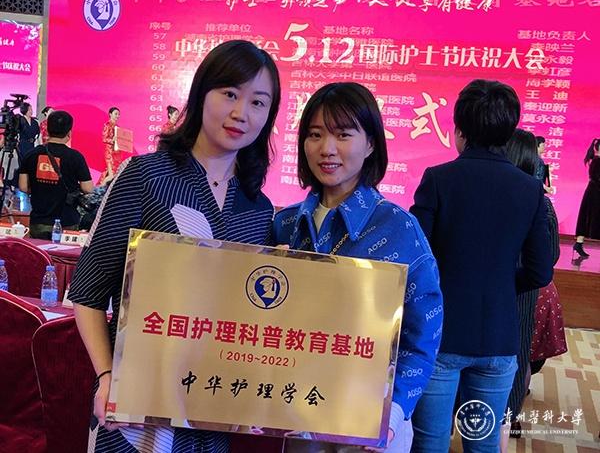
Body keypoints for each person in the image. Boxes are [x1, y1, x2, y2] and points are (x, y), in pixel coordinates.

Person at [69, 39, 281, 453]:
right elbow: (88, 292)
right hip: (134, 413)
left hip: (212, 410)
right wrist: (107, 377)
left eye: (258, 102)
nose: (242, 113)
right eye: (230, 94)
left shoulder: (258, 209)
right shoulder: (145, 176)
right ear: (201, 93)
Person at [271, 82, 443, 452]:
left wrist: (394, 413)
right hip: (292, 416)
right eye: (315, 134)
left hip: (368, 426)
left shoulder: (399, 230)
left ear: (370, 145)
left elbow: (422, 335)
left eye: (343, 134)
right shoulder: (285, 225)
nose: (327, 148)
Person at [409, 79, 553, 453]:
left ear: (460, 130)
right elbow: (540, 271)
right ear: (508, 131)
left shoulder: (438, 180)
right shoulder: (530, 189)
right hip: (499, 338)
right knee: (484, 443)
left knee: (429, 441)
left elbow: (416, 257)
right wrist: (501, 284)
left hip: (441, 335)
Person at [502, 129, 561, 445]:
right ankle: (509, 418)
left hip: (489, 297)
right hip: (523, 296)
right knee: (517, 359)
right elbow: (549, 258)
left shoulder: (491, 196)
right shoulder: (540, 202)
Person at [18, 110, 93, 239]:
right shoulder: (75, 157)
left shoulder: (31, 154)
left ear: (47, 130)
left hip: (39, 221)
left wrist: (40, 188)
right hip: (67, 222)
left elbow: (23, 187)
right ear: (69, 132)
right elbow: (88, 188)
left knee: (38, 251)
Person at [573, 138, 600, 258]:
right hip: (595, 194)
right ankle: (578, 244)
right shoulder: (597, 161)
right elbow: (597, 178)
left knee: (586, 217)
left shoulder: (595, 160)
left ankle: (579, 243)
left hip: (594, 192)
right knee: (588, 218)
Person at [97, 106, 122, 186]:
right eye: (116, 114)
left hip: (116, 153)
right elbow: (104, 138)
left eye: (118, 114)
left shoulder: (117, 127)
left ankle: (100, 188)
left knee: (110, 173)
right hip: (109, 153)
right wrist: (112, 140)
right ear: (110, 114)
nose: (117, 116)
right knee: (111, 175)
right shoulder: (107, 125)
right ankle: (98, 190)